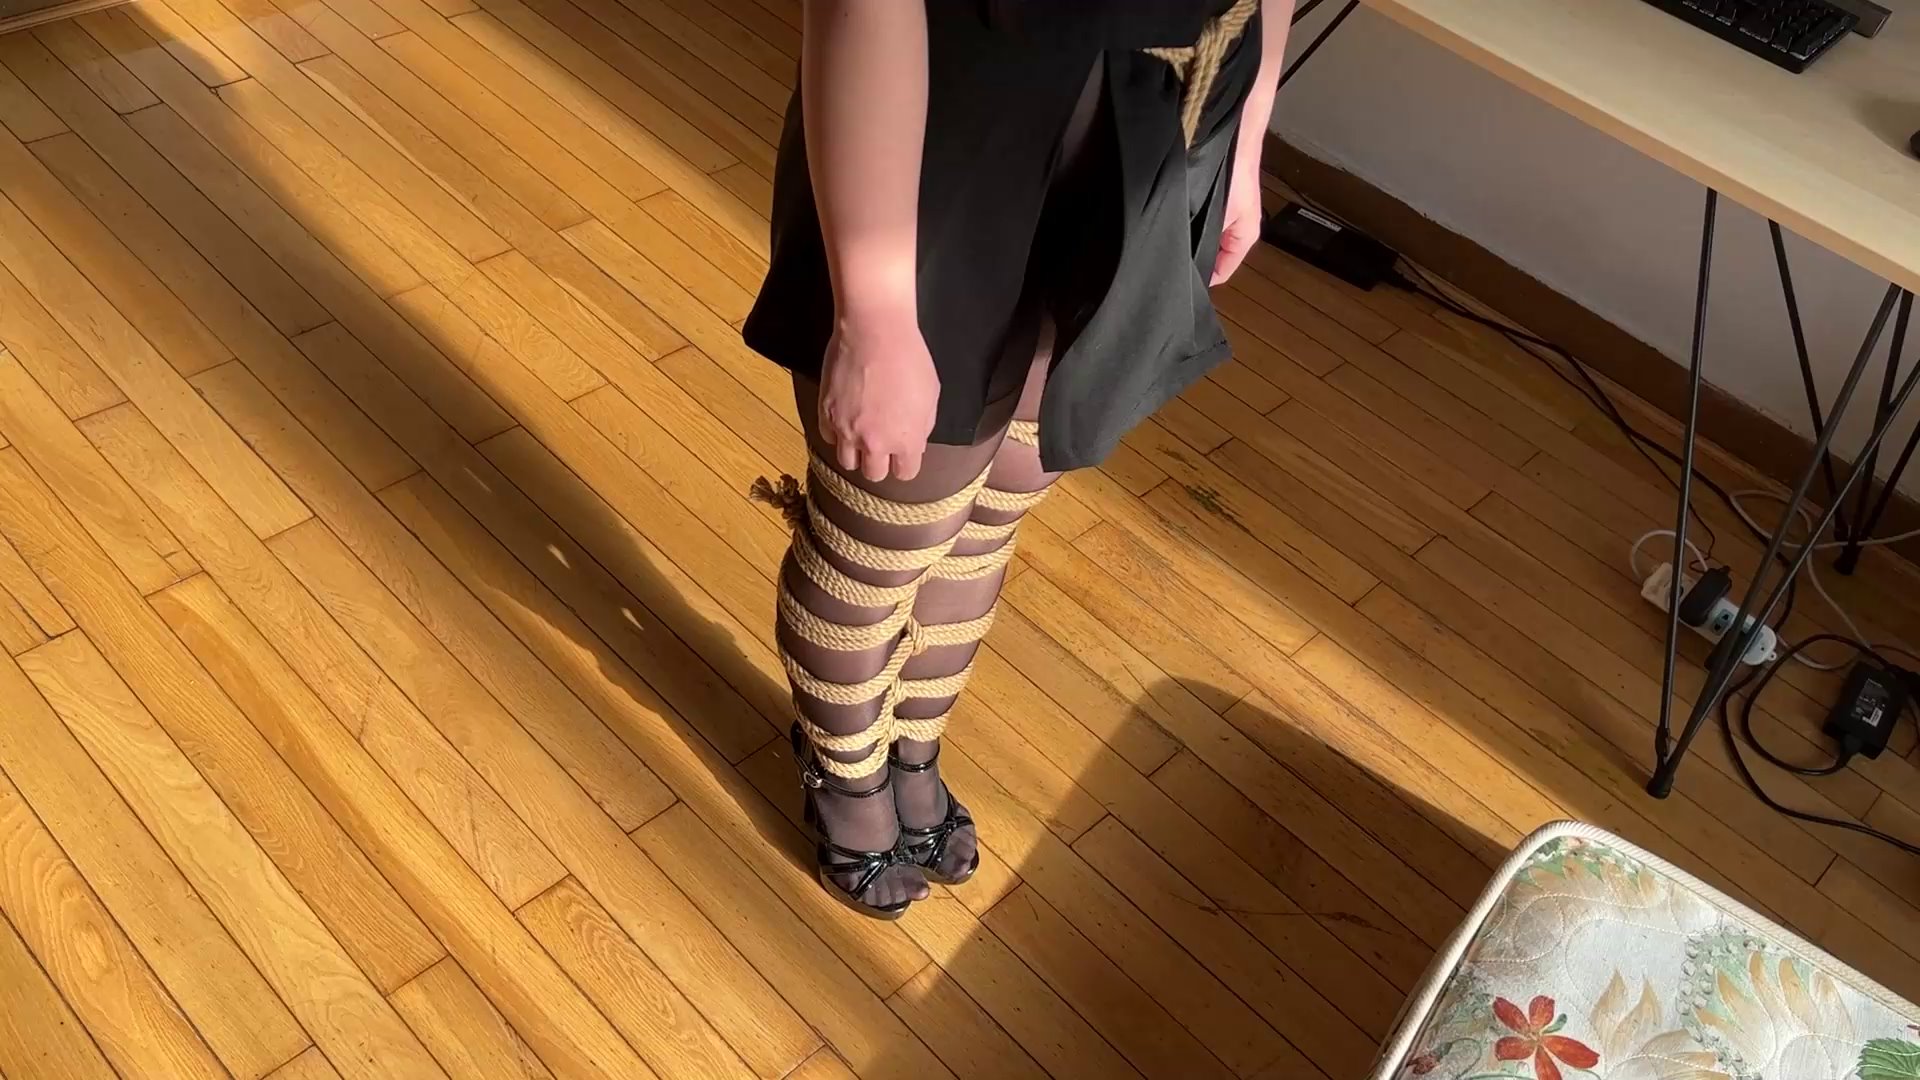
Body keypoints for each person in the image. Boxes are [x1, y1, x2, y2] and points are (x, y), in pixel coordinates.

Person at [745, 0, 1291, 919]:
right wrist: (874, 313)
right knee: (886, 529)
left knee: (998, 502)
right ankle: (843, 766)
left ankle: (911, 748)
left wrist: (1249, 127)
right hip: (950, 113)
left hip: (1168, 112)